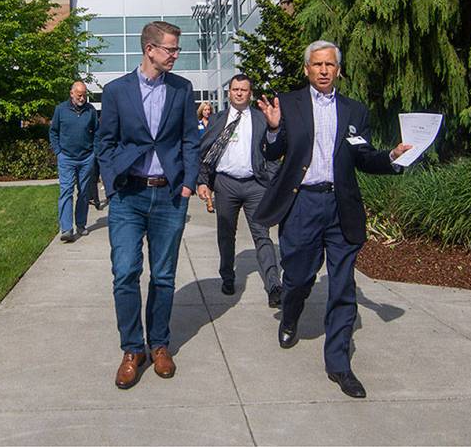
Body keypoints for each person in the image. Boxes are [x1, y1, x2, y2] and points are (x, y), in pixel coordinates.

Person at [255, 40, 411, 399]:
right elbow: (272, 152)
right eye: (317, 64)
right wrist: (275, 129)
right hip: (302, 206)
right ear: (307, 69)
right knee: (297, 276)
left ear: (339, 70)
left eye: (330, 65)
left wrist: (392, 156)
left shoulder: (355, 110)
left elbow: (364, 157)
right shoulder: (289, 104)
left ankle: (339, 364)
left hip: (341, 206)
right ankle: (290, 316)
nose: (324, 70)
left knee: (342, 286)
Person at [96, 20, 200, 390]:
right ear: (150, 49)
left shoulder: (182, 89)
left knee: (164, 275)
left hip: (169, 195)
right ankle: (131, 349)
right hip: (128, 196)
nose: (175, 55)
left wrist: (188, 185)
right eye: (171, 49)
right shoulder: (117, 91)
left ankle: (158, 345)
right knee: (125, 271)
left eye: (176, 49)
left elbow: (191, 140)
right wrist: (111, 183)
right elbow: (105, 142)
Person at [196, 74, 282, 307]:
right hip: (226, 184)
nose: (240, 93)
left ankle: (274, 284)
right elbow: (204, 152)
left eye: (244, 89)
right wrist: (203, 181)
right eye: (235, 89)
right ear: (229, 92)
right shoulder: (217, 120)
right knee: (225, 234)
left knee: (262, 234)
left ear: (250, 93)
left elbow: (275, 150)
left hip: (255, 185)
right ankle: (228, 276)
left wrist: (271, 178)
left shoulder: (260, 119)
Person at [49, 80, 98, 243]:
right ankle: (67, 229)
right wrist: (58, 152)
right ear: (71, 94)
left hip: (86, 158)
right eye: (79, 95)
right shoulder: (60, 110)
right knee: (66, 191)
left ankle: (81, 225)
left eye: (84, 95)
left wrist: (94, 152)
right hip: (66, 158)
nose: (82, 98)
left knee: (84, 192)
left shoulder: (90, 111)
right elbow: (53, 132)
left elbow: (98, 132)